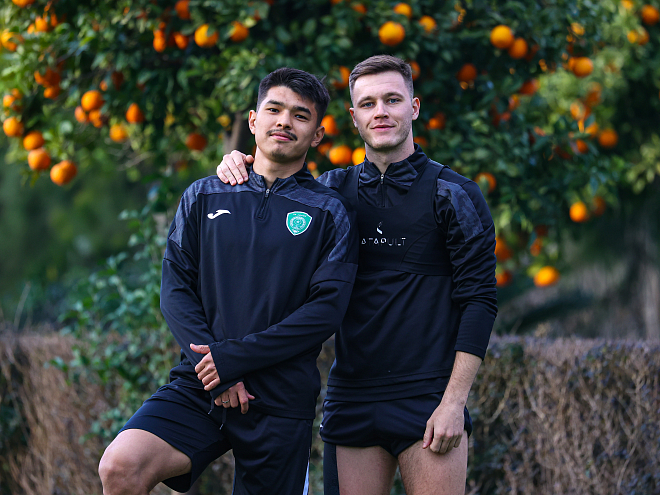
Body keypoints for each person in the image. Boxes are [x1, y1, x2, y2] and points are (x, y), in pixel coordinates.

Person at [216, 55, 497, 495]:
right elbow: (264, 212)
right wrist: (238, 164)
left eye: (392, 100)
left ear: (414, 107)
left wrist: (454, 403)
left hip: (428, 398)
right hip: (351, 398)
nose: (380, 112)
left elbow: (479, 301)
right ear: (353, 116)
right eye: (368, 104)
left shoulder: (454, 194)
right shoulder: (327, 194)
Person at [97, 67, 359, 495]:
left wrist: (233, 360)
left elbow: (325, 311)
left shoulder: (331, 211)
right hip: (201, 382)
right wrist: (217, 369)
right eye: (273, 110)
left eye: (300, 115)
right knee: (121, 467)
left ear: (317, 135)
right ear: (253, 121)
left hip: (279, 397)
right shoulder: (204, 195)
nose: (284, 122)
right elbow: (175, 290)